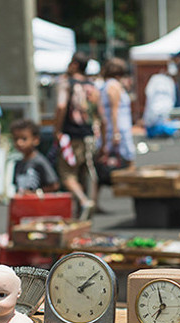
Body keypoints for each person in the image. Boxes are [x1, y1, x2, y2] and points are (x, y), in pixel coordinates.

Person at [54, 52, 102, 218]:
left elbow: (61, 106)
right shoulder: (92, 86)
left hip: (70, 135)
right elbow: (99, 113)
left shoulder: (66, 83)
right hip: (89, 135)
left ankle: (83, 201)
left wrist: (57, 130)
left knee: (67, 174)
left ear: (74, 64)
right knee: (86, 173)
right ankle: (83, 215)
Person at [96, 58, 136, 201]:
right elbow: (114, 110)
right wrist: (116, 132)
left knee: (101, 163)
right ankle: (134, 194)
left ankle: (95, 201)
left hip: (113, 128)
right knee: (129, 162)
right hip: (120, 128)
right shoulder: (113, 86)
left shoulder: (106, 85)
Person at [10, 119, 59, 194]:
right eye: (16, 139)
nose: (19, 143)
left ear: (35, 140)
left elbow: (54, 185)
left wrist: (35, 193)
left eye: (24, 139)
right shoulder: (18, 164)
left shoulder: (39, 161)